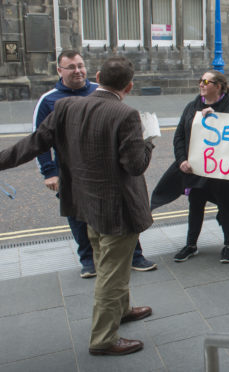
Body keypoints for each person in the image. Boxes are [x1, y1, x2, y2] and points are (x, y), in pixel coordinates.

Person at [0, 56, 154, 356]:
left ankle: (123, 310)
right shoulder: (126, 115)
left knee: (109, 261)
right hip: (118, 209)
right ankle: (104, 339)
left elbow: (32, 144)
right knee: (111, 271)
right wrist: (148, 142)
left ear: (97, 76)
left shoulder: (64, 107)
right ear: (130, 86)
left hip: (85, 203)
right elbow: (135, 166)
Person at [33, 50, 156, 278]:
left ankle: (134, 256)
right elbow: (38, 139)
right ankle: (89, 260)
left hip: (107, 173)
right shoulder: (50, 101)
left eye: (81, 65)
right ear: (59, 70)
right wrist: (50, 172)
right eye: (71, 67)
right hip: (73, 172)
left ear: (94, 74)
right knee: (80, 217)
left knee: (119, 216)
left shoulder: (98, 91)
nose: (78, 71)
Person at [150, 70, 229, 263]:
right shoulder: (192, 106)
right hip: (195, 169)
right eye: (200, 80)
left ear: (218, 86)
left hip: (220, 171)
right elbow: (179, 137)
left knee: (226, 207)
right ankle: (191, 244)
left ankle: (228, 245)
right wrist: (182, 160)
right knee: (195, 205)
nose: (201, 84)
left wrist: (214, 120)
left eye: (206, 81)